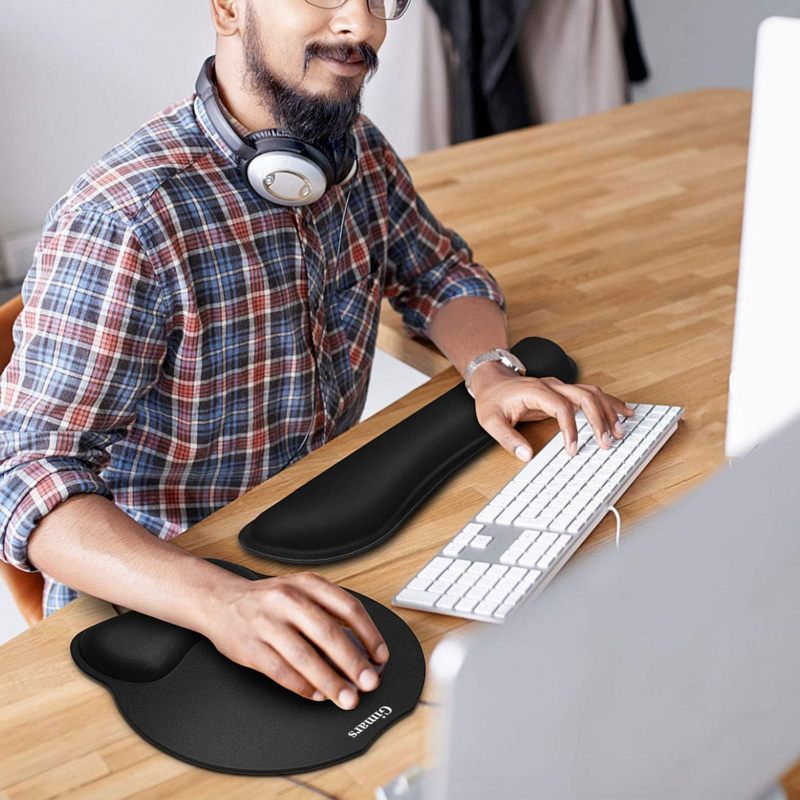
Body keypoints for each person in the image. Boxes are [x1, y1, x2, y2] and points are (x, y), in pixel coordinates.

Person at [0, 0, 632, 711]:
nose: (361, 25)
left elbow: (440, 274)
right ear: (229, 6)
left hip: (315, 538)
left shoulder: (356, 152)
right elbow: (23, 473)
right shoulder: (127, 217)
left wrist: (490, 370)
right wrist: (224, 605)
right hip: (160, 606)